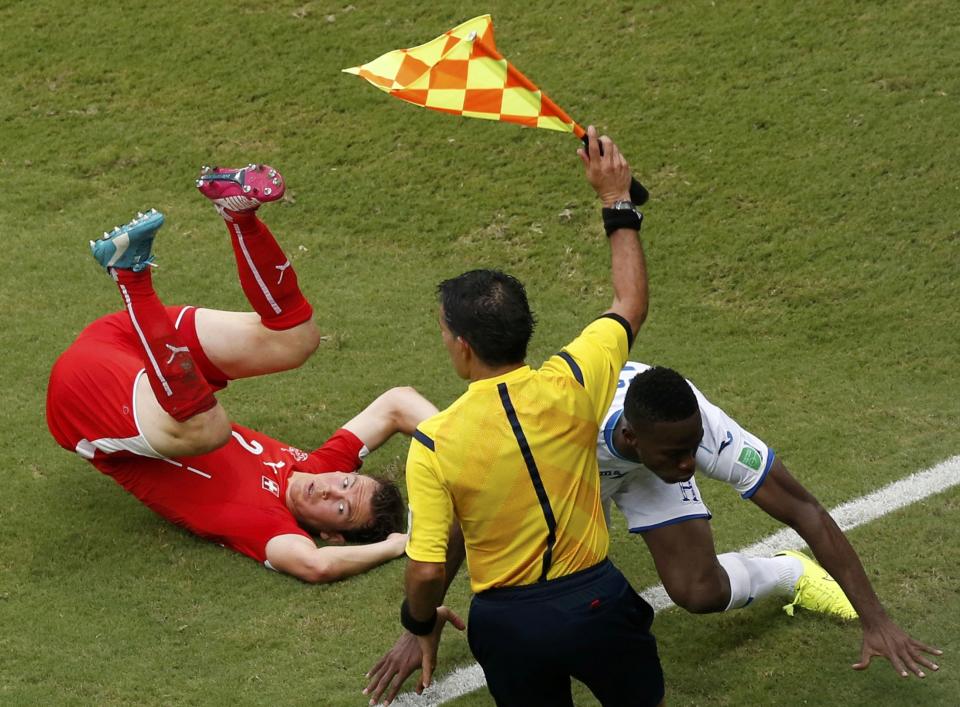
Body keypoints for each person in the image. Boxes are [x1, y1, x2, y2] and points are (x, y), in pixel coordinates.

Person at [381, 126, 664, 707]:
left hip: (509, 624)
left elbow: (428, 569)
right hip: (596, 602)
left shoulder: (435, 441)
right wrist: (616, 202)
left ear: (462, 345)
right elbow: (629, 302)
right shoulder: (577, 380)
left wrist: (417, 623)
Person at [46, 164, 436, 583]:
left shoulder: (267, 523)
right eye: (344, 482)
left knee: (208, 431)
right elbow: (398, 404)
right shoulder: (317, 465)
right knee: (299, 339)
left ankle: (131, 277)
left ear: (329, 534)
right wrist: (461, 454)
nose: (328, 488)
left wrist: (400, 544)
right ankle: (238, 213)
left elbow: (315, 565)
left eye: (340, 509)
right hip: (129, 343)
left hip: (85, 402)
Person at [600, 362, 942, 678]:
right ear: (632, 438)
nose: (691, 465)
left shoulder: (698, 431)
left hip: (649, 459)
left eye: (693, 447)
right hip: (583, 473)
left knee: (700, 591)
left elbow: (807, 512)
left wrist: (876, 621)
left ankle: (790, 574)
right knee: (575, 580)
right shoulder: (568, 432)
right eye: (678, 454)